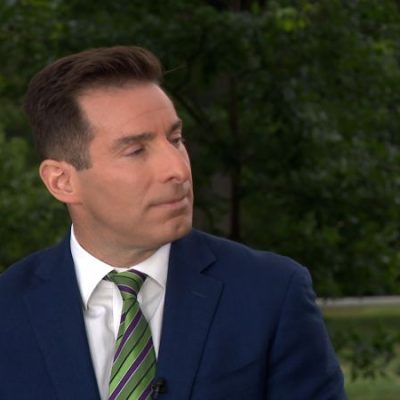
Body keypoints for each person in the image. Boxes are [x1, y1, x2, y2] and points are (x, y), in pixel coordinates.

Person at [0, 46, 347, 400]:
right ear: (62, 182)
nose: (178, 169)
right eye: (136, 151)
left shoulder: (272, 294)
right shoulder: (7, 311)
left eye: (176, 140)